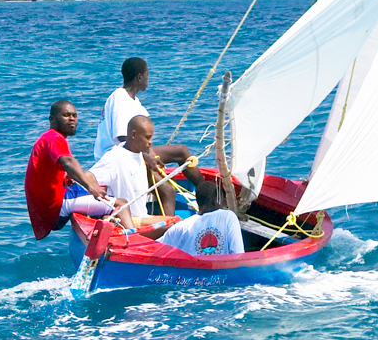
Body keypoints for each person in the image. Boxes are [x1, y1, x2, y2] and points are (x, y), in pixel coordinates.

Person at [95, 115, 245, 257]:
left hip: (142, 217)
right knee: (176, 225)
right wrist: (108, 206)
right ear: (134, 135)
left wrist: (148, 157)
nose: (151, 142)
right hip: (129, 220)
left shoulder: (138, 153)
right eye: (147, 137)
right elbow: (89, 181)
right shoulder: (113, 159)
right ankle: (173, 254)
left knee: (176, 221)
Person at [24, 100, 121, 240]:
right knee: (120, 204)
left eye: (74, 115)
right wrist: (91, 188)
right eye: (66, 115)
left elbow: (50, 171)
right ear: (52, 120)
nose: (72, 119)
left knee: (92, 179)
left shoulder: (48, 138)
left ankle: (104, 225)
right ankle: (130, 240)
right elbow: (68, 162)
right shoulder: (54, 138)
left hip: (49, 204)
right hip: (55, 207)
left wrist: (66, 178)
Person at [94, 56, 193, 167]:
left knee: (157, 167)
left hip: (130, 151)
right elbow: (122, 137)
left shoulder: (135, 102)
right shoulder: (119, 97)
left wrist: (147, 152)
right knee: (181, 151)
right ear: (139, 77)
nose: (148, 80)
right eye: (147, 75)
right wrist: (147, 155)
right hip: (115, 155)